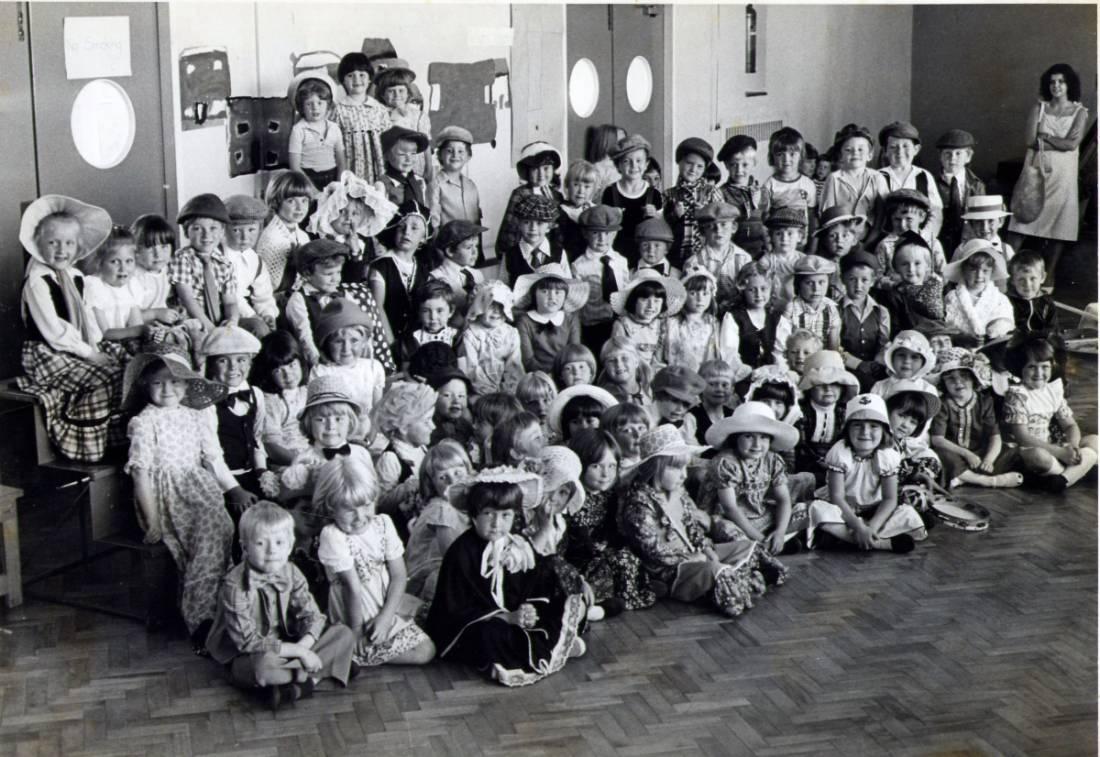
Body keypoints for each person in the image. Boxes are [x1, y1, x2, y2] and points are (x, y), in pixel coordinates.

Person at [424, 469, 589, 686]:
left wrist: (526, 608)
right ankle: (516, 656)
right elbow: (456, 607)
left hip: (512, 614)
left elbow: (526, 585)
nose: (497, 524)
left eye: (505, 516)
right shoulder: (462, 552)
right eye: (488, 514)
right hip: (473, 624)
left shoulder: (515, 545)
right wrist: (506, 617)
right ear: (474, 515)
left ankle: (549, 645)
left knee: (557, 601)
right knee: (488, 635)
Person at [123, 348, 239, 651]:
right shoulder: (144, 422)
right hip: (165, 495)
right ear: (147, 386)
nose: (167, 390)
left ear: (187, 385)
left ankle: (221, 612)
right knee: (204, 539)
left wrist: (231, 488)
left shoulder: (196, 415)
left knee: (219, 529)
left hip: (198, 487)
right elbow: (141, 474)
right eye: (158, 384)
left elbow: (212, 458)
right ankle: (200, 619)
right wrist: (153, 521)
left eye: (175, 382)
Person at [617, 425, 787, 617]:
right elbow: (652, 550)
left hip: (696, 553)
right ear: (654, 468)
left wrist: (705, 548)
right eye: (675, 468)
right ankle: (728, 583)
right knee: (717, 570)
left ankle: (730, 580)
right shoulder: (639, 503)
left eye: (685, 467)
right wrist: (693, 558)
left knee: (749, 547)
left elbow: (694, 529)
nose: (684, 475)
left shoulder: (679, 492)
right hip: (671, 568)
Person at [205, 502, 355, 711]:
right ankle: (320, 672)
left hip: (290, 645)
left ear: (290, 544)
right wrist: (301, 654)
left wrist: (303, 648)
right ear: (244, 546)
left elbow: (312, 616)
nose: (271, 551)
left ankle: (299, 685)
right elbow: (248, 642)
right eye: (260, 543)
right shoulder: (234, 586)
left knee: (344, 634)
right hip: (249, 655)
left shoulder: (291, 572)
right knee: (263, 668)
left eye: (278, 542)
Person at [18, 196, 125, 462]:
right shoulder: (37, 281)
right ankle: (80, 441)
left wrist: (97, 346)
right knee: (103, 376)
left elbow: (86, 316)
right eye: (53, 242)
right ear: (38, 245)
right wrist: (90, 355)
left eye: (68, 243)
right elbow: (54, 331)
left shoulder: (75, 277)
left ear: (78, 246)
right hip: (47, 352)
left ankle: (112, 437)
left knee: (125, 365)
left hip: (78, 345)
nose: (61, 249)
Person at [314, 456, 436, 667]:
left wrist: (387, 617)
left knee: (433, 622)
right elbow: (352, 588)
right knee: (425, 651)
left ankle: (357, 651)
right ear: (330, 507)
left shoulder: (383, 524)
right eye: (349, 509)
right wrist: (355, 631)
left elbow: (399, 576)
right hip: (355, 617)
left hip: (385, 608)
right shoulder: (332, 535)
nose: (360, 516)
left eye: (366, 505)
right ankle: (351, 651)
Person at [1005, 63, 1089, 291]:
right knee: (1020, 224)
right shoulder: (1039, 108)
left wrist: (1046, 137)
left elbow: (1072, 143)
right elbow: (1030, 141)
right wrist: (1052, 141)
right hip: (1035, 172)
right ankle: (1005, 277)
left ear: (1069, 84)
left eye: (1061, 81)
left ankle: (1046, 280)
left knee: (1057, 231)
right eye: (1052, 82)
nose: (1056, 86)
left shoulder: (1080, 112)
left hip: (1063, 178)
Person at [806, 394, 925, 553]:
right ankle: (879, 543)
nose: (865, 432)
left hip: (873, 510)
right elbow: (837, 498)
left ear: (884, 430)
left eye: (874, 426)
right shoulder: (840, 452)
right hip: (842, 509)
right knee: (816, 509)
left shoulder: (887, 455)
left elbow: (890, 499)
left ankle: (847, 538)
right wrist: (859, 527)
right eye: (857, 425)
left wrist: (871, 526)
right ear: (847, 429)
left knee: (908, 514)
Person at [565, 429, 657, 614]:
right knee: (601, 567)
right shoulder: (573, 497)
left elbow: (609, 525)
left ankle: (629, 596)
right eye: (596, 466)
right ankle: (594, 604)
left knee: (626, 556)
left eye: (612, 466)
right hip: (577, 553)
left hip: (601, 545)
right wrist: (596, 549)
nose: (605, 474)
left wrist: (610, 543)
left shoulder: (610, 494)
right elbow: (577, 533)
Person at [698, 401, 806, 551]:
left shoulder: (773, 459)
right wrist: (760, 538)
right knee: (727, 530)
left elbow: (783, 499)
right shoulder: (725, 462)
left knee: (801, 510)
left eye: (763, 437)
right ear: (735, 438)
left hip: (759, 515)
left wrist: (780, 532)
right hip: (729, 518)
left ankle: (775, 540)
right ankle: (761, 546)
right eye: (749, 436)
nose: (757, 444)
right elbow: (730, 508)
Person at [1003, 334, 1099, 491]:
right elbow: (1023, 437)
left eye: (1044, 367)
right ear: (1021, 369)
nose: (1039, 373)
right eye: (1032, 367)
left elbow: (1070, 425)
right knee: (1038, 457)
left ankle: (1063, 477)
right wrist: (1060, 452)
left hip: (1055, 445)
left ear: (1052, 366)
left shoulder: (1052, 391)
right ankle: (1073, 475)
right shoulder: (1017, 395)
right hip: (1028, 450)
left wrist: (1073, 446)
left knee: (1095, 440)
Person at [201, 325, 279, 502]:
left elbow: (256, 438)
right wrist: (234, 490)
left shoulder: (256, 395)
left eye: (241, 360)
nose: (232, 367)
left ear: (250, 362)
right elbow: (211, 454)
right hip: (222, 483)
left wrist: (261, 470)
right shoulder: (207, 402)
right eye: (223, 360)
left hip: (251, 475)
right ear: (211, 364)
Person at [929, 347, 1023, 489]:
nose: (958, 382)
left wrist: (989, 460)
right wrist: (966, 454)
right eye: (951, 379)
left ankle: (963, 477)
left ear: (974, 379)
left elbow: (994, 435)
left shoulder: (984, 401)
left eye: (964, 376)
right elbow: (937, 439)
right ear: (943, 383)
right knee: (940, 454)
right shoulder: (942, 404)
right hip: (956, 453)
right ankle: (987, 481)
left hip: (980, 452)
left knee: (1011, 452)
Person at [404, 440, 474, 601]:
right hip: (423, 582)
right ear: (432, 484)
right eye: (443, 477)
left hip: (443, 572)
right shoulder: (442, 508)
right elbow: (453, 557)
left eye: (458, 473)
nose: (452, 482)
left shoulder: (462, 505)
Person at [309, 299, 386, 440]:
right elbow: (323, 414)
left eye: (354, 341)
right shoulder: (321, 372)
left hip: (370, 432)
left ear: (364, 342)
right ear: (326, 344)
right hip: (333, 434)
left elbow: (377, 410)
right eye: (338, 342)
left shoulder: (373, 367)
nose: (346, 349)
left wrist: (371, 436)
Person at [307, 171, 398, 283]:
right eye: (341, 211)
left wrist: (355, 252)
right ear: (329, 212)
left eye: (355, 213)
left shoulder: (362, 241)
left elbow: (355, 279)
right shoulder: (321, 238)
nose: (348, 217)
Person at [169, 194, 240, 332]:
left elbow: (230, 301)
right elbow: (188, 300)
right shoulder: (182, 259)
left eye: (213, 228)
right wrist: (210, 328)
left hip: (218, 322)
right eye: (197, 228)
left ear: (222, 232)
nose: (206, 235)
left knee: (256, 327)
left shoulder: (224, 264)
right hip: (192, 321)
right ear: (186, 232)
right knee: (199, 339)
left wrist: (232, 320)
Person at [82, 227, 156, 358]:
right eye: (115, 262)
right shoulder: (94, 286)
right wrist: (137, 331)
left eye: (129, 261)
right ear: (100, 263)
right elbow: (105, 333)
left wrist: (146, 332)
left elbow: (136, 322)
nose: (123, 268)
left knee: (156, 348)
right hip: (105, 344)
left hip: (128, 339)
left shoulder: (132, 285)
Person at [369, 200, 433, 346]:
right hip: (387, 337)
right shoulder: (381, 266)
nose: (407, 232)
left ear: (423, 238)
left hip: (417, 339)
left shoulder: (423, 270)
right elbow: (377, 308)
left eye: (414, 228)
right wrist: (392, 345)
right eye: (401, 227)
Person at [794, 350, 860, 486]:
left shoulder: (845, 413)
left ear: (842, 388)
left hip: (837, 463)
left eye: (834, 384)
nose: (828, 389)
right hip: (804, 461)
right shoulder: (800, 413)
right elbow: (799, 445)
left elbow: (847, 442)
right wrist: (816, 462)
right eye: (820, 385)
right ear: (809, 388)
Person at [570, 205, 631, 351]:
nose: (602, 238)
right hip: (591, 325)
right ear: (585, 234)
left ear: (615, 234)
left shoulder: (621, 261)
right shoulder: (579, 265)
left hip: (618, 322)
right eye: (596, 233)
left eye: (608, 233)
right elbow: (576, 304)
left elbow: (626, 290)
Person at [819, 124, 890, 244]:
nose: (855, 153)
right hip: (839, 239)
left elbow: (881, 217)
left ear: (870, 155)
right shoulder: (834, 179)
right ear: (840, 155)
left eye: (861, 149)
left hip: (870, 239)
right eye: (848, 150)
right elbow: (827, 215)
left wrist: (869, 242)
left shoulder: (877, 178)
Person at [664, 267, 740, 375]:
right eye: (693, 293)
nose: (700, 299)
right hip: (680, 377)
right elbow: (668, 354)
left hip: (708, 377)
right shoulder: (673, 324)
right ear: (684, 295)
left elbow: (723, 353)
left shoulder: (714, 324)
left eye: (705, 294)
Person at [601, 134, 664, 264]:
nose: (634, 166)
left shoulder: (654, 195)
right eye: (626, 161)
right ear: (618, 166)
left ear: (646, 164)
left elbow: (661, 230)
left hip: (646, 257)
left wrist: (655, 217)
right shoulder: (610, 193)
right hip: (616, 256)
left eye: (639, 161)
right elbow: (604, 228)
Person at [252, 330, 310, 469]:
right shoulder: (271, 401)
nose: (288, 375)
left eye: (292, 365)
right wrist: (300, 461)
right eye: (278, 370)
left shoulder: (306, 391)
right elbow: (271, 446)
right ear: (268, 374)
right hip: (287, 459)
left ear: (301, 362)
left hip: (312, 451)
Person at [513, 263, 585, 372]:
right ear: (534, 294)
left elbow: (573, 353)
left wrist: (562, 374)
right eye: (545, 291)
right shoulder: (525, 321)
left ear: (565, 296)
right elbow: (528, 360)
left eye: (558, 292)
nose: (552, 297)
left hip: (566, 372)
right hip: (538, 376)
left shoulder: (570, 318)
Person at [331, 52, 390, 184]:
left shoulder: (379, 109)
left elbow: (388, 140)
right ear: (343, 81)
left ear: (370, 79)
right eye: (350, 76)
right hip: (351, 170)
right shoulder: (339, 110)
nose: (357, 80)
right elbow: (333, 143)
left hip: (378, 170)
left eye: (362, 75)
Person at [877, 121, 943, 240]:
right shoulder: (878, 176)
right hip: (886, 239)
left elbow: (936, 213)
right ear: (885, 151)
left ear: (916, 149)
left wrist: (925, 236)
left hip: (918, 240)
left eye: (905, 146)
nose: (899, 151)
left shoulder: (924, 176)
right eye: (893, 147)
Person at [223, 194, 278, 337]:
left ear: (259, 228)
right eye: (236, 230)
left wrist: (267, 314)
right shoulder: (219, 256)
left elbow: (264, 295)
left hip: (246, 311)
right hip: (225, 313)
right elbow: (232, 297)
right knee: (258, 328)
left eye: (251, 230)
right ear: (224, 228)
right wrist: (253, 316)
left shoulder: (255, 260)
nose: (245, 237)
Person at [457, 280, 524, 397]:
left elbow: (514, 365)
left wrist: (507, 390)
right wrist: (489, 392)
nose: (497, 311)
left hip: (507, 391)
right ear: (480, 307)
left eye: (501, 306)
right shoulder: (471, 334)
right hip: (479, 390)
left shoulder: (511, 333)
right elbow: (471, 368)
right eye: (491, 305)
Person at [496, 142, 565, 255]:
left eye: (546, 168)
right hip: (524, 252)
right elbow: (509, 230)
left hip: (549, 252)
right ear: (527, 171)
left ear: (553, 170)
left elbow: (559, 230)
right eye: (535, 169)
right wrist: (509, 256)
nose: (541, 173)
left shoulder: (557, 196)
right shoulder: (520, 194)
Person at [774, 255, 842, 367]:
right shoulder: (791, 308)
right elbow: (782, 344)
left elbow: (833, 347)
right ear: (799, 285)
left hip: (821, 363)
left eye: (821, 282)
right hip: (795, 362)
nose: (816, 289)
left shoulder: (831, 308)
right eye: (809, 283)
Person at [610, 269, 684, 370]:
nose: (651, 306)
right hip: (630, 371)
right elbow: (619, 355)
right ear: (633, 301)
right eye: (644, 300)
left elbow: (663, 357)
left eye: (657, 301)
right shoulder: (623, 324)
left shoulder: (663, 325)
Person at [664, 138, 723, 266]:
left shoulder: (712, 192)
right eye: (689, 163)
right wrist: (674, 215)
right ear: (679, 162)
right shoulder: (668, 194)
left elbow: (722, 224)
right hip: (675, 257)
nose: (693, 169)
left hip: (704, 258)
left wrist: (705, 214)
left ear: (705, 169)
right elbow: (662, 227)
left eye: (699, 166)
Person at [942, 239, 1014, 344]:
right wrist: (962, 338)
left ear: (992, 272)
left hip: (991, 349)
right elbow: (947, 327)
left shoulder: (1000, 299)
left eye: (985, 271)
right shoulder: (952, 297)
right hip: (960, 347)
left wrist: (994, 330)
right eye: (973, 270)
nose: (979, 275)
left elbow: (1006, 323)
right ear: (964, 270)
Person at [838, 251, 891, 392]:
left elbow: (883, 344)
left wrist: (875, 364)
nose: (858, 285)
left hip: (875, 369)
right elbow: (834, 346)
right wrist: (858, 364)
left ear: (873, 281)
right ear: (843, 279)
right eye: (852, 279)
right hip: (846, 368)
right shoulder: (835, 310)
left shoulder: (881, 312)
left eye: (864, 280)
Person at [685, 202, 751, 314]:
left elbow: (749, 291)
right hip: (706, 315)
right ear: (702, 231)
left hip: (738, 315)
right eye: (711, 226)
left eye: (724, 224)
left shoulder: (744, 258)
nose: (718, 230)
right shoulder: (694, 262)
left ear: (734, 227)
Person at [375, 58, 432, 183]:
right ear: (382, 95)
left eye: (401, 90)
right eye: (391, 91)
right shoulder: (378, 116)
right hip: (390, 171)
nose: (397, 95)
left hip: (416, 168)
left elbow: (426, 145)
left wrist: (429, 169)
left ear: (408, 93)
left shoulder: (418, 116)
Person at [255, 172, 313, 294]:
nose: (300, 207)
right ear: (276, 202)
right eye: (291, 201)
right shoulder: (272, 238)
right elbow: (270, 285)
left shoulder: (302, 236)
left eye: (304, 201)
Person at [287, 70, 346, 190]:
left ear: (328, 104)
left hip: (332, 177)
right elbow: (294, 166)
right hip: (307, 179)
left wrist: (339, 185)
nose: (315, 108)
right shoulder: (298, 130)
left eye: (320, 103)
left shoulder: (334, 128)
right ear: (301, 107)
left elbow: (341, 162)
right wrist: (312, 191)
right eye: (309, 104)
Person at [496, 192, 569, 286]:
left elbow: (568, 284)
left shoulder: (559, 252)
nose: (533, 228)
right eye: (526, 222)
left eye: (539, 223)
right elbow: (502, 287)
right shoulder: (510, 255)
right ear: (519, 224)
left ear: (549, 226)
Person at [759, 127, 817, 242]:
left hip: (801, 243)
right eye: (780, 154)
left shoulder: (808, 184)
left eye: (792, 154)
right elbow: (764, 218)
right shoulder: (769, 185)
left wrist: (811, 246)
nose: (786, 159)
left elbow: (812, 217)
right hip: (779, 243)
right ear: (772, 157)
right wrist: (769, 245)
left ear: (801, 156)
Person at [934, 129, 986, 256]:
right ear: (940, 156)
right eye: (947, 154)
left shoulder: (976, 185)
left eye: (958, 154)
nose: (953, 159)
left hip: (967, 240)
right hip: (941, 239)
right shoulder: (932, 184)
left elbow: (980, 217)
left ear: (968, 156)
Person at [716, 134, 767, 258]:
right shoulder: (720, 194)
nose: (739, 171)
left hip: (761, 254)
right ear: (726, 165)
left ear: (754, 162)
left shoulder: (762, 192)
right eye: (734, 164)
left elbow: (768, 224)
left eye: (745, 165)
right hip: (734, 255)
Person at [429, 126, 482, 236]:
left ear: (468, 156)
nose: (455, 155)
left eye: (461, 151)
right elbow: (434, 225)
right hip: (447, 246)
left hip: (470, 245)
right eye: (449, 150)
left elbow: (477, 221)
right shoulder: (435, 184)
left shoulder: (471, 185)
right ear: (440, 155)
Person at [428, 219, 486, 319]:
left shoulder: (477, 274)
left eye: (476, 246)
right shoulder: (436, 278)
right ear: (450, 251)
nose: (474, 252)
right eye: (468, 247)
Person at [130, 213, 176, 313]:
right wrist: (155, 314)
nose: (158, 255)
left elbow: (161, 302)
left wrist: (173, 310)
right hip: (139, 324)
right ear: (136, 250)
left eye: (164, 247)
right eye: (150, 248)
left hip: (159, 322)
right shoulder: (133, 276)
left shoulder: (166, 269)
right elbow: (129, 316)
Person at [1006, 250, 1060, 334]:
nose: (1027, 284)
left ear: (1042, 277)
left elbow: (1053, 330)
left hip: (1041, 343)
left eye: (1033, 279)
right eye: (1021, 279)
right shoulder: (1007, 302)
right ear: (1012, 280)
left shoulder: (1047, 303)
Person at [557, 160, 600, 259]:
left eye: (587, 187)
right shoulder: (561, 211)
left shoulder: (595, 211)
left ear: (594, 189)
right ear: (567, 185)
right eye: (576, 185)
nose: (581, 191)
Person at [584, 123, 625, 197]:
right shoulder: (597, 169)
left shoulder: (623, 165)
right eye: (620, 142)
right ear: (607, 142)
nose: (624, 146)